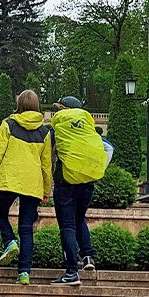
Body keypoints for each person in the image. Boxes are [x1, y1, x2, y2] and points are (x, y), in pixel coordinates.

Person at [0, 89, 51, 286]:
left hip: (8, 179)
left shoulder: (8, 124)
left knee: (0, 215)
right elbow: (47, 165)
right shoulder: (45, 132)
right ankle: (24, 273)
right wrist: (46, 189)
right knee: (26, 228)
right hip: (32, 183)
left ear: (19, 104)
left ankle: (9, 242)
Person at [49, 96, 109, 286]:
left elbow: (47, 154)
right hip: (88, 182)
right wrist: (96, 169)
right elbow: (109, 148)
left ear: (63, 109)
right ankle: (88, 256)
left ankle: (71, 272)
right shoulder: (89, 130)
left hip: (66, 181)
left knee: (67, 226)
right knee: (79, 219)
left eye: (58, 109)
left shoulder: (57, 130)